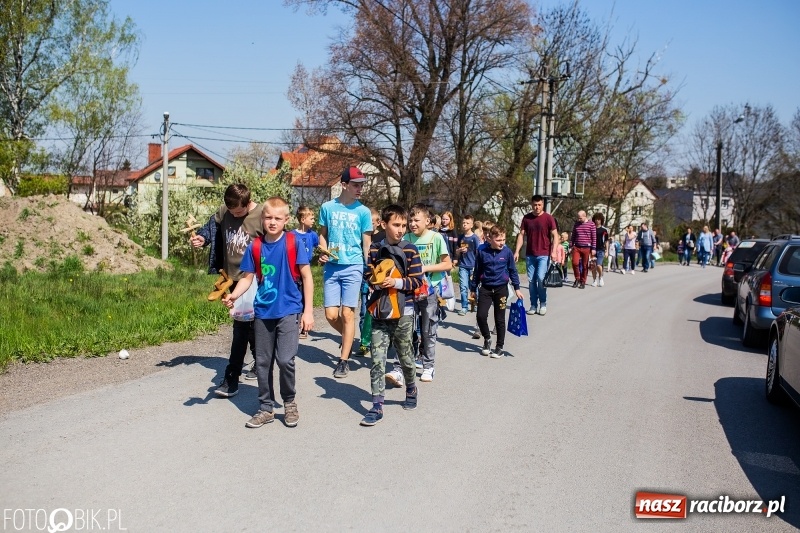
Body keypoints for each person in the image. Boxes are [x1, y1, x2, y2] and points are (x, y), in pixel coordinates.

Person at [221, 196, 314, 428]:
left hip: (290, 310)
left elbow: (307, 277)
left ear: (286, 219)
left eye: (277, 218)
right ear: (262, 218)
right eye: (268, 217)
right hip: (263, 311)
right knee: (262, 362)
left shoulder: (293, 242)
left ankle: (289, 401)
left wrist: (308, 311)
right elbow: (247, 277)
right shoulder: (255, 246)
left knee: (285, 360)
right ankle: (265, 408)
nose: (272, 222)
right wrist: (234, 295)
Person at [191, 184, 264, 396]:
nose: (234, 215)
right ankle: (260, 360)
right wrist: (202, 238)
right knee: (247, 326)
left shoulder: (261, 215)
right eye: (231, 211)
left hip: (252, 280)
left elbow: (277, 242)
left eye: (239, 212)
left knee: (241, 330)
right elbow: (210, 227)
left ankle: (231, 380)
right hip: (231, 280)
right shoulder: (225, 210)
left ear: (248, 203)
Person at [360, 205, 425, 426]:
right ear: (384, 225)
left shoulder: (410, 250)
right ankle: (377, 405)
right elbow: (368, 273)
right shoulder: (376, 248)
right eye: (396, 225)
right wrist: (375, 279)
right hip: (380, 309)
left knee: (406, 357)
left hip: (404, 312)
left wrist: (396, 282)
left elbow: (417, 280)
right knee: (377, 359)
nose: (400, 229)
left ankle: (411, 387)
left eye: (403, 225)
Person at [318, 166, 373, 379]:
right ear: (344, 185)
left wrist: (369, 269)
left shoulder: (363, 212)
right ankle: (348, 337)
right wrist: (323, 252)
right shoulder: (327, 208)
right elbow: (322, 235)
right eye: (355, 185)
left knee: (347, 313)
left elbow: (366, 244)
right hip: (332, 267)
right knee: (331, 315)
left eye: (361, 185)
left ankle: (343, 360)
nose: (359, 189)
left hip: (354, 266)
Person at [406, 203, 452, 382]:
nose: (412, 223)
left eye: (416, 220)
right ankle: (404, 365)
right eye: (410, 220)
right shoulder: (407, 238)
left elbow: (447, 264)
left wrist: (424, 268)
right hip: (409, 290)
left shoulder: (436, 238)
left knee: (428, 329)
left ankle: (428, 366)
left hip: (430, 291)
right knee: (407, 328)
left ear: (427, 220)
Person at [470, 225, 524, 358]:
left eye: (504, 239)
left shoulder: (507, 252)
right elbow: (477, 271)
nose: (502, 243)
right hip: (486, 288)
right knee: (481, 316)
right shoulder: (482, 251)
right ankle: (487, 339)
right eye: (499, 240)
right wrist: (473, 288)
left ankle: (499, 347)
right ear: (490, 238)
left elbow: (513, 271)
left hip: (501, 289)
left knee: (499, 319)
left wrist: (516, 288)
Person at [514, 194, 559, 316]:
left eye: (539, 205)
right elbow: (521, 235)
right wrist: (517, 251)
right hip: (530, 254)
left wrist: (554, 251)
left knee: (540, 278)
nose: (537, 207)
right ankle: (533, 304)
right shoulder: (527, 218)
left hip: (544, 253)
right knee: (531, 281)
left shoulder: (548, 218)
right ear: (531, 204)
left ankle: (543, 303)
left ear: (543, 205)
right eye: (535, 205)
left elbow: (555, 235)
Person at [357, 209, 383, 358]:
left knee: (376, 312)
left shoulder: (382, 238)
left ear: (378, 223)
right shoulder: (363, 238)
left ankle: (378, 341)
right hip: (364, 278)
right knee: (363, 311)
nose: (367, 227)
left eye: (370, 223)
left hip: (377, 279)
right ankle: (364, 343)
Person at [292, 206, 319, 340]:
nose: (314, 220)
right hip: (294, 270)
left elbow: (318, 247)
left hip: (306, 269)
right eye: (311, 218)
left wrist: (322, 256)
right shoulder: (292, 235)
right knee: (296, 295)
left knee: (305, 296)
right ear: (303, 219)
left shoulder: (313, 235)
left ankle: (303, 326)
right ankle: (293, 323)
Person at [454, 214, 481, 316]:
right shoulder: (460, 237)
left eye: (467, 223)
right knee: (463, 287)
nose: (464, 225)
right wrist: (459, 250)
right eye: (463, 223)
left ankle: (476, 303)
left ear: (472, 225)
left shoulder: (475, 238)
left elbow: (478, 252)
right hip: (463, 266)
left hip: (473, 266)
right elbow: (456, 251)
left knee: (473, 287)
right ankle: (464, 307)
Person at [569, 210, 596, 288]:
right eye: (578, 218)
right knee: (575, 263)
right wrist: (571, 245)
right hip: (577, 246)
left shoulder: (591, 224)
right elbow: (573, 235)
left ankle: (583, 281)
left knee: (584, 265)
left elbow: (594, 237)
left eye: (580, 218)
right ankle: (577, 278)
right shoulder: (576, 224)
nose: (579, 219)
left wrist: (593, 248)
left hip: (586, 247)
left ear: (585, 216)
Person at [590, 212, 609, 287]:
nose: (597, 221)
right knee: (593, 266)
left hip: (601, 249)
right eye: (596, 219)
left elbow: (607, 241)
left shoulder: (604, 230)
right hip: (593, 249)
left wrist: (607, 250)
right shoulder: (592, 228)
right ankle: (594, 280)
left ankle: (600, 277)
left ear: (601, 220)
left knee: (598, 265)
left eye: (599, 219)